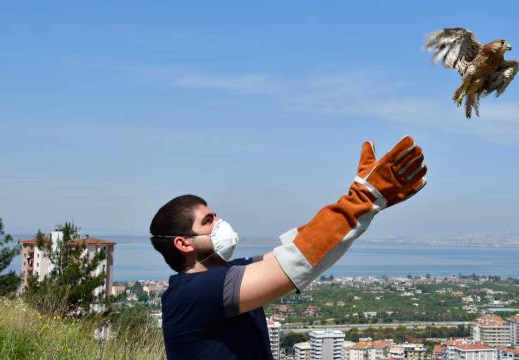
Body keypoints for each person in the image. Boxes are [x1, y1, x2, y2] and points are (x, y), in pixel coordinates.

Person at [149, 136, 427, 359]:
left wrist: (368, 206)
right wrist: (364, 197)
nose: (220, 223)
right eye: (208, 221)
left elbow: (301, 248)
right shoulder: (194, 293)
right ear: (183, 243)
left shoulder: (229, 273)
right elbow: (296, 261)